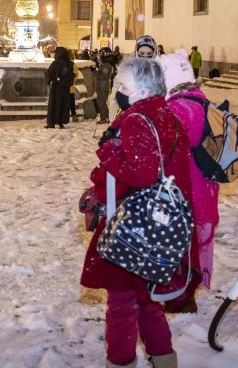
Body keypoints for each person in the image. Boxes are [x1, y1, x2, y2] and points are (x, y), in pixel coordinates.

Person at [80, 58, 187, 367]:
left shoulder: (137, 119)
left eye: (124, 87)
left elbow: (139, 174)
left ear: (141, 90)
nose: (118, 92)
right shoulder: (166, 114)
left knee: (122, 303)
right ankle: (164, 359)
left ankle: (120, 361)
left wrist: (109, 153)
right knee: (146, 299)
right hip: (157, 224)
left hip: (132, 227)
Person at [158, 50, 221, 314]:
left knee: (184, 244)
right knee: (194, 241)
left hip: (188, 189)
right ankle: (185, 292)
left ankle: (181, 298)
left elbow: (163, 148)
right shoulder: (200, 100)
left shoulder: (178, 109)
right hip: (204, 187)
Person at [45, 47, 74, 129]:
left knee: (54, 104)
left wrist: (48, 80)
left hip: (56, 87)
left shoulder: (56, 63)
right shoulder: (69, 63)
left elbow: (50, 73)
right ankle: (61, 122)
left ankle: (51, 123)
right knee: (63, 104)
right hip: (65, 88)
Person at [95, 47, 116, 124]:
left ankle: (103, 118)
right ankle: (106, 116)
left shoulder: (106, 65)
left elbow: (103, 75)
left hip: (103, 85)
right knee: (101, 101)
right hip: (103, 85)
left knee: (101, 102)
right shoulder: (106, 64)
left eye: (101, 54)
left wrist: (95, 72)